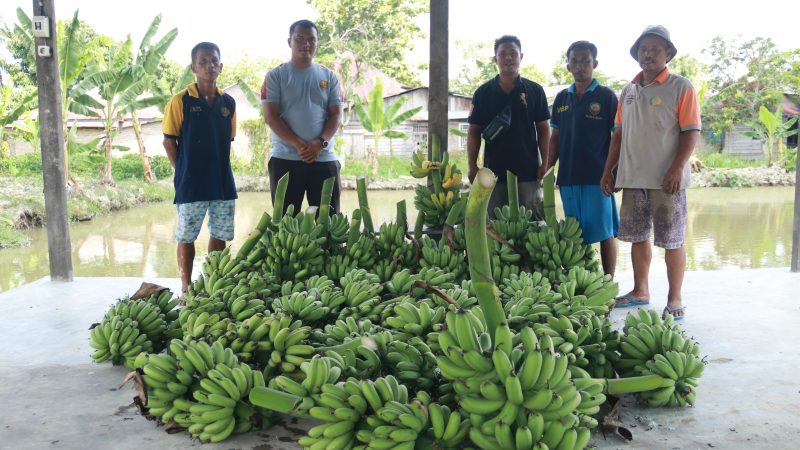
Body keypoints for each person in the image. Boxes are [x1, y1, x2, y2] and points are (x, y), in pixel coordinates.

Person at [599, 25, 701, 320]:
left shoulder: (682, 87)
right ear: (637, 55)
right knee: (636, 237)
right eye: (644, 49)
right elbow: (618, 135)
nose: (649, 54)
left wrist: (676, 169)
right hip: (632, 179)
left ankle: (675, 298)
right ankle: (640, 291)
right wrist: (609, 171)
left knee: (672, 241)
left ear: (668, 53)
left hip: (666, 181)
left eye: (656, 48)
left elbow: (691, 132)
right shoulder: (628, 91)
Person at [162, 42, 237, 294]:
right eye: (203, 61)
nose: (209, 66)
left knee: (220, 234)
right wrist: (182, 170)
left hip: (222, 182)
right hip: (191, 183)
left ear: (221, 66)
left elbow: (228, 139)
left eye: (214, 61)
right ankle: (186, 287)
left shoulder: (229, 103)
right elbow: (168, 141)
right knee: (186, 236)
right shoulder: (180, 101)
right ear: (193, 67)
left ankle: (214, 284)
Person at [546, 41, 619, 276]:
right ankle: (585, 281)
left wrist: (612, 171)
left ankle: (608, 280)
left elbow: (618, 137)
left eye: (585, 60)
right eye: (575, 61)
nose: (580, 66)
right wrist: (548, 166)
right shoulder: (561, 99)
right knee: (575, 233)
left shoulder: (606, 96)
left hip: (598, 177)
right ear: (568, 66)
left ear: (594, 64)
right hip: (568, 177)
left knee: (604, 232)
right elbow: (555, 137)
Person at [261, 19, 343, 215]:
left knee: (329, 223)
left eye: (311, 40)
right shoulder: (275, 76)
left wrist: (319, 143)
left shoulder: (330, 77)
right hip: (285, 158)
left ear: (316, 43)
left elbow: (336, 115)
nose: (306, 44)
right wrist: (299, 145)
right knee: (287, 225)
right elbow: (270, 116)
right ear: (289, 42)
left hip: (323, 158)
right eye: (299, 39)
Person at [467, 35, 550, 219]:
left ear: (521, 56)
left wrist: (545, 162)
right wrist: (472, 166)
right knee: (496, 226)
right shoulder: (483, 93)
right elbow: (473, 131)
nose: (508, 58)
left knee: (532, 225)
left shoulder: (535, 90)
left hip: (528, 172)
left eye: (513, 53)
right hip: (493, 174)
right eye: (502, 54)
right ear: (495, 59)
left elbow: (544, 129)